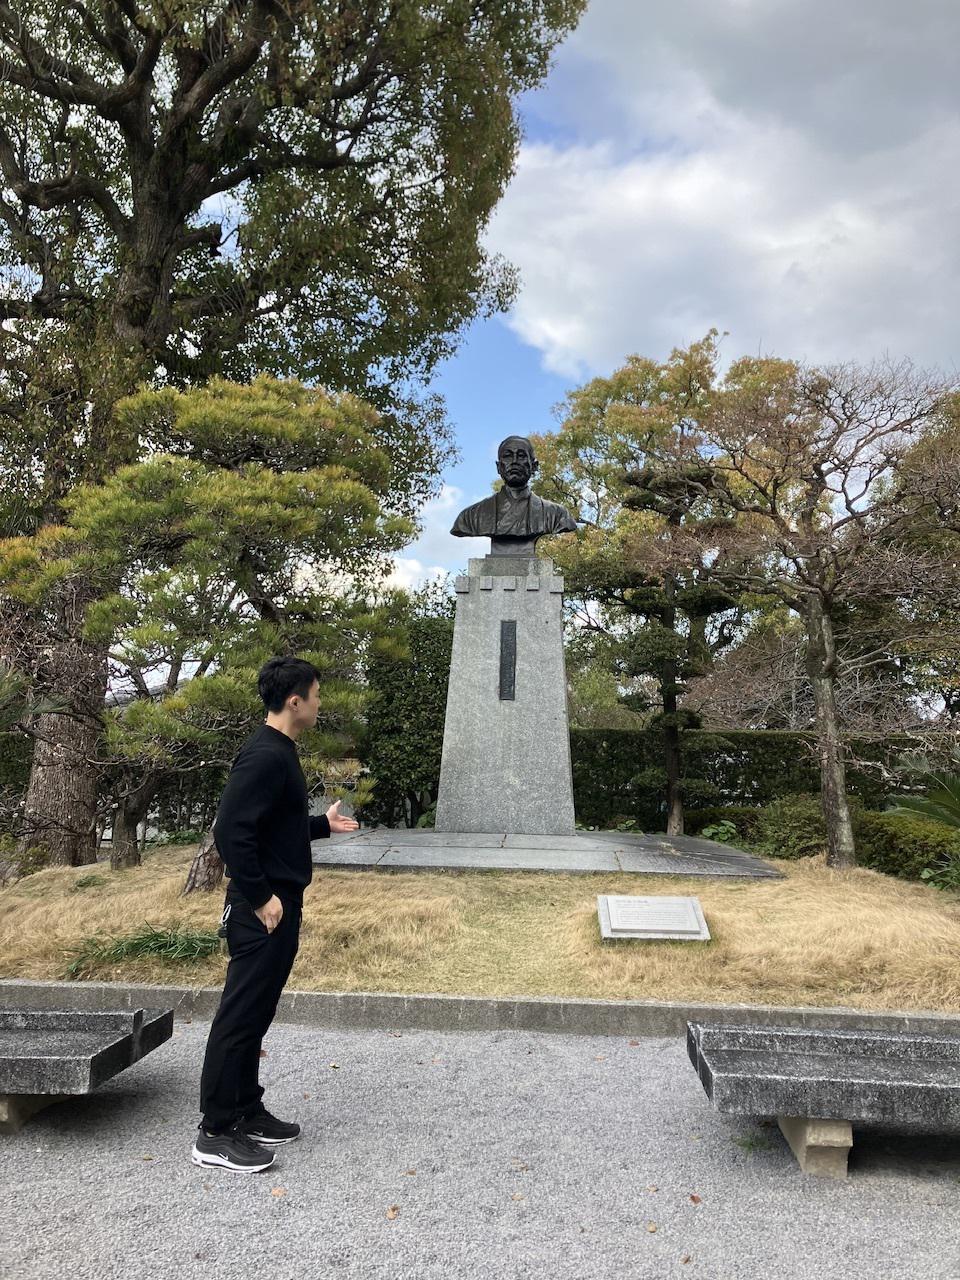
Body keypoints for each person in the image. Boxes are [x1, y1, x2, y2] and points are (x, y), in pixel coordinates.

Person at [192, 656, 359, 1173]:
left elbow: (271, 825)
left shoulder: (280, 751)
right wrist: (261, 895)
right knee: (239, 1018)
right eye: (315, 693)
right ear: (295, 701)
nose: (318, 701)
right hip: (260, 909)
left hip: (277, 906)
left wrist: (319, 827)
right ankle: (215, 1132)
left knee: (256, 1014)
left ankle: (246, 1109)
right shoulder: (265, 755)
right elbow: (231, 831)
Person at [450, 435, 577, 555]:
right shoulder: (471, 516)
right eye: (508, 456)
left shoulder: (557, 515)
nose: (514, 461)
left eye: (521, 456)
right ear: (499, 467)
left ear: (534, 466)